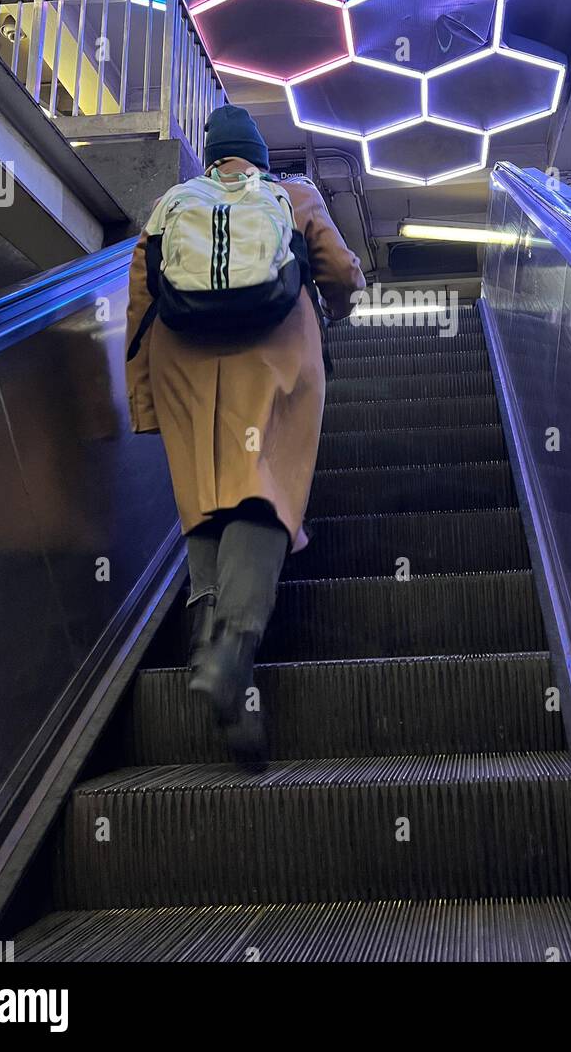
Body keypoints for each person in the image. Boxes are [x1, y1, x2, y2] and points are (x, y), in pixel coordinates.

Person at [125, 105, 366, 764]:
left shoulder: (169, 205)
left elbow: (140, 309)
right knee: (263, 490)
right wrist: (339, 311)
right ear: (258, 155)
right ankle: (231, 647)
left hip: (182, 361)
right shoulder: (292, 194)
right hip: (274, 352)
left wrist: (145, 404)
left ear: (210, 158)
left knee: (205, 498)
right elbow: (340, 272)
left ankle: (207, 628)